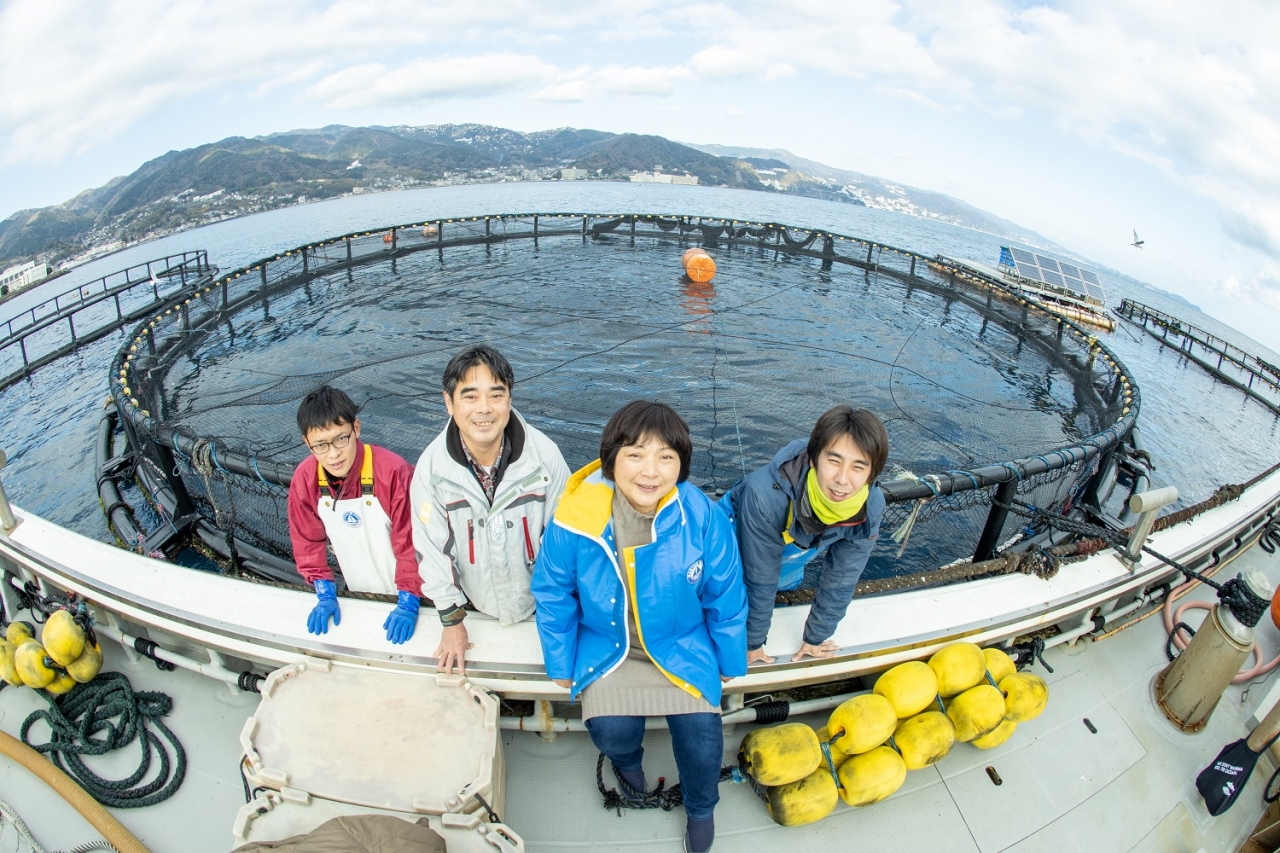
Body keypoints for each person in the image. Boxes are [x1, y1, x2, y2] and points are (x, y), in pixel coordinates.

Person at [532, 401, 747, 853]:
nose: (651, 471)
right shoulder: (575, 519)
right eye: (635, 454)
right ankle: (629, 768)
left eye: (667, 457)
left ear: (682, 465)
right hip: (610, 647)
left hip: (681, 644)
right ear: (612, 459)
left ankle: (701, 808)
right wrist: (559, 661)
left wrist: (730, 658)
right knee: (610, 730)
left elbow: (725, 592)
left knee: (704, 742)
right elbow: (552, 591)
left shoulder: (702, 516)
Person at [411, 344, 569, 674]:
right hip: (474, 605)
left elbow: (565, 544)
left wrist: (558, 615)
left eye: (496, 395)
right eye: (470, 396)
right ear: (448, 402)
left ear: (510, 399)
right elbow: (432, 550)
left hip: (541, 607)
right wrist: (452, 621)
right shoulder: (431, 471)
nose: (484, 408)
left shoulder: (546, 458)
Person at [721, 405, 888, 664]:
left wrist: (815, 638)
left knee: (781, 590)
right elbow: (759, 577)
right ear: (813, 459)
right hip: (734, 539)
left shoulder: (870, 505)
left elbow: (843, 575)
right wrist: (752, 644)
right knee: (728, 595)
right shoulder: (763, 495)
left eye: (858, 467)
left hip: (795, 551)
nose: (842, 479)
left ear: (871, 473)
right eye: (834, 461)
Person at [287, 386, 422, 644]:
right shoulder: (305, 479)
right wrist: (325, 592)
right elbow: (307, 542)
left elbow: (411, 542)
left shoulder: (394, 472)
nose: (334, 454)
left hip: (417, 594)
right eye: (321, 445)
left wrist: (409, 600)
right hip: (360, 591)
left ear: (356, 429)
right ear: (307, 443)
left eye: (341, 439)